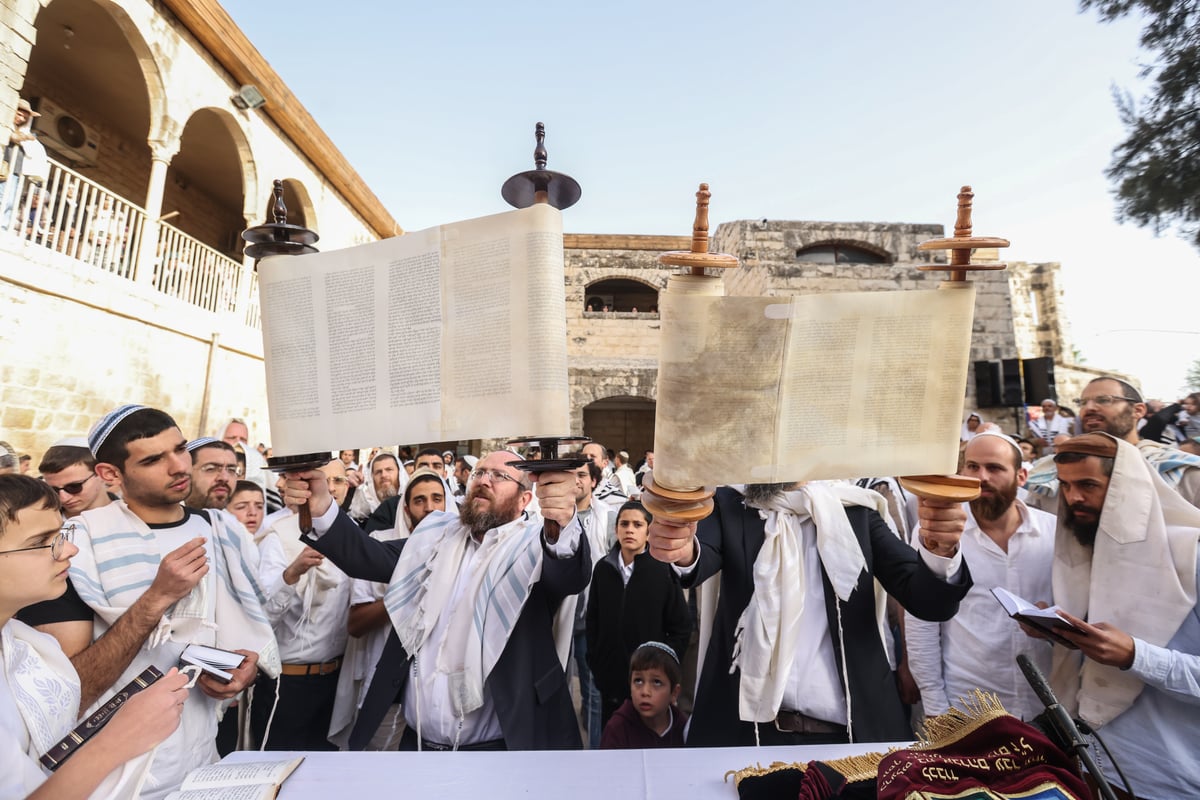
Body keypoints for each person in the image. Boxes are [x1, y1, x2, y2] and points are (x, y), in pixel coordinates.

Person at [30, 405, 278, 800]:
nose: (179, 466)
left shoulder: (219, 530)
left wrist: (240, 669)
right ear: (110, 474)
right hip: (111, 779)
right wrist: (159, 596)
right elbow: (67, 694)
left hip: (201, 765)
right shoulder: (74, 546)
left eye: (180, 449)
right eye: (153, 460)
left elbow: (231, 629)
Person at [282, 449, 589, 750]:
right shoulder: (435, 538)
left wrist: (561, 521)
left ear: (525, 498)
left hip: (500, 751)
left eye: (499, 475)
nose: (484, 480)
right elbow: (367, 557)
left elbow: (568, 573)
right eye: (480, 472)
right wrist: (321, 507)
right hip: (418, 747)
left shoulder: (536, 547)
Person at [648, 480, 970, 746]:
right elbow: (698, 557)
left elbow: (930, 602)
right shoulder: (730, 506)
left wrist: (940, 551)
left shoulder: (855, 512)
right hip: (750, 736)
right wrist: (679, 547)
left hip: (850, 739)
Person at [0, 474, 192, 800]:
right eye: (43, 541)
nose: (69, 549)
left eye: (62, 534)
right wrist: (119, 739)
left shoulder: (28, 644)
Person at [1030, 433, 1200, 798]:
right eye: (1065, 485)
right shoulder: (1081, 553)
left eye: (1088, 485)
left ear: (1127, 489)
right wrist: (1056, 630)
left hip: (1169, 779)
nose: (1074, 498)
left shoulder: (1192, 558)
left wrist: (1136, 656)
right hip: (1089, 768)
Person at [905, 432, 1056, 720]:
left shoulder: (1053, 534)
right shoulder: (936, 535)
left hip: (1046, 706)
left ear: (1021, 476)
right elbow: (922, 623)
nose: (982, 477)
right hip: (969, 708)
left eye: (995, 468)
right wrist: (936, 707)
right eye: (972, 467)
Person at [329, 468, 451, 750]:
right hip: (387, 687)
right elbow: (356, 624)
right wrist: (407, 592)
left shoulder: (465, 551)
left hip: (437, 691)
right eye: (420, 500)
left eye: (437, 498)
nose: (430, 508)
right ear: (406, 509)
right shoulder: (379, 545)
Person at [250, 457, 351, 751]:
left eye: (338, 481)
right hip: (289, 686)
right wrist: (291, 574)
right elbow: (262, 617)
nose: (330, 489)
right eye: (323, 480)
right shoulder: (276, 532)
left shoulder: (350, 533)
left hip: (334, 684)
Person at [587, 501, 690, 728]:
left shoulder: (662, 570)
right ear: (616, 530)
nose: (630, 530)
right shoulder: (603, 569)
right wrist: (596, 662)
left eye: (637, 524)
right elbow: (593, 622)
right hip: (611, 682)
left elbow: (681, 626)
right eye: (624, 524)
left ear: (648, 531)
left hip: (649, 686)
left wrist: (663, 668)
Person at [1026, 377, 1200, 511]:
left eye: (1104, 400)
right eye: (1083, 403)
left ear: (1138, 410)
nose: (1089, 408)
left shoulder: (1180, 471)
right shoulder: (1052, 472)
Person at [599, 642, 689, 749]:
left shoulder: (683, 728)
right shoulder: (617, 729)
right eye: (638, 681)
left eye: (657, 682)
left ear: (674, 692)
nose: (645, 692)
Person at [1, 99, 48, 232]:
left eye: (25, 117)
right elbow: (12, 137)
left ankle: (2, 229)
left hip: (15, 171)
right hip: (4, 167)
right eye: (19, 114)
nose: (21, 119)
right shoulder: (6, 126)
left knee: (10, 202)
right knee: (4, 200)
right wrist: (24, 138)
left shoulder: (25, 131)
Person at [183, 437, 240, 511]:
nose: (224, 478)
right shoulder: (166, 519)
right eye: (211, 469)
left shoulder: (235, 522)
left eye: (231, 470)